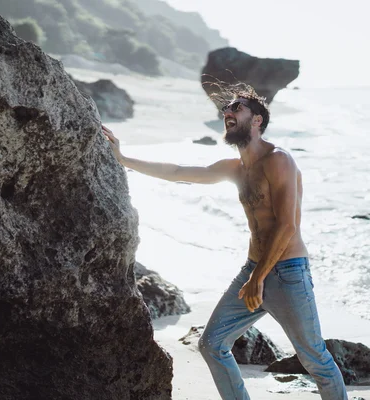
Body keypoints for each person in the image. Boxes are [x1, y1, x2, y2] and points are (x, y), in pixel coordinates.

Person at [102, 84, 348, 400]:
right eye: (226, 109)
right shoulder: (236, 168)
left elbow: (287, 226)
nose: (227, 112)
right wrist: (123, 158)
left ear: (257, 120)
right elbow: (178, 171)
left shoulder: (278, 161)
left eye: (236, 108)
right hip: (253, 271)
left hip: (287, 273)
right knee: (213, 344)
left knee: (315, 358)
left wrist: (257, 279)